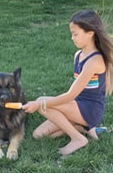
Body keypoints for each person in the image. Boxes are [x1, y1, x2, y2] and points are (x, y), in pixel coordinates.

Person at [22, 10, 113, 156]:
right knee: (39, 134)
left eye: (75, 34)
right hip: (77, 106)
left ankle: (78, 139)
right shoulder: (78, 55)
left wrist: (39, 104)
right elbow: (74, 96)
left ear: (90, 33)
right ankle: (82, 128)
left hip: (90, 109)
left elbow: (70, 95)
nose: (72, 38)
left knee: (42, 103)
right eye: (71, 34)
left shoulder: (94, 61)